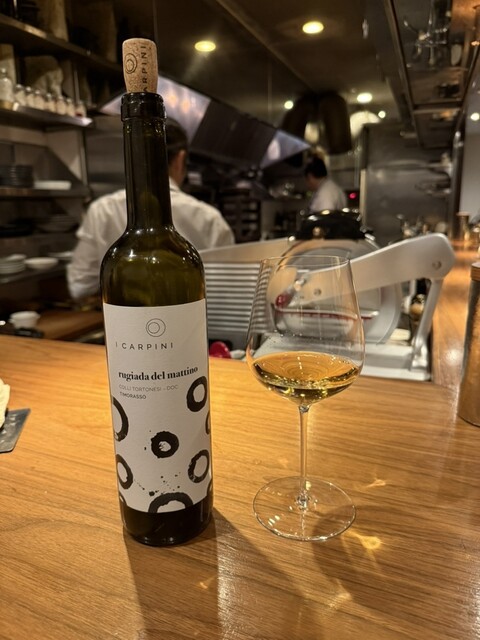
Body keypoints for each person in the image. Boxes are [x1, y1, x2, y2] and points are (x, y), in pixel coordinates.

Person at [67, 118, 235, 300]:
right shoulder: (210, 218)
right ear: (180, 159)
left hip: (124, 317)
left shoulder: (101, 211)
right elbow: (229, 293)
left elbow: (80, 286)